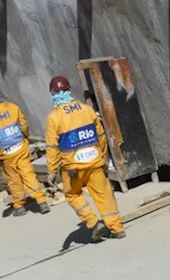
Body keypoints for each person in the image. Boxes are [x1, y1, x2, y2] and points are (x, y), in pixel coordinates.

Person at [45, 76, 125, 242]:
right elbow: (101, 136)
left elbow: (52, 147)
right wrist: (102, 158)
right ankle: (116, 228)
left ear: (53, 94)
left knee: (72, 195)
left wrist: (52, 171)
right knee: (104, 195)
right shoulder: (86, 109)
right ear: (68, 90)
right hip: (94, 161)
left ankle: (93, 222)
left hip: (73, 168)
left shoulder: (54, 117)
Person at [0, 78, 49, 217]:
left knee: (14, 179)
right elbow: (24, 125)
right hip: (21, 148)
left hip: (6, 153)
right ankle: (41, 201)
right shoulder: (12, 107)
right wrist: (26, 137)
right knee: (28, 174)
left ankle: (19, 206)